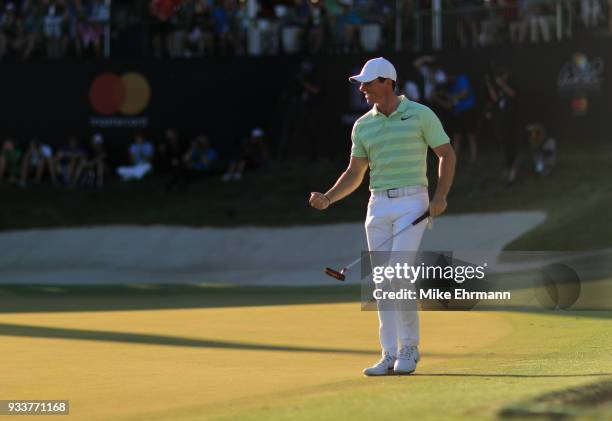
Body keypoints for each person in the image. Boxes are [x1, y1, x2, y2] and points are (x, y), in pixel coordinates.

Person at [309, 57, 456, 376]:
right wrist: (329, 198)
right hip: (377, 206)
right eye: (360, 82)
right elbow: (355, 172)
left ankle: (409, 348)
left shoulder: (420, 114)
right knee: (381, 283)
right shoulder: (363, 125)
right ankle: (388, 353)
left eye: (367, 82)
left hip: (412, 202)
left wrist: (440, 196)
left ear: (387, 82)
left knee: (397, 274)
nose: (361, 88)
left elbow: (446, 154)